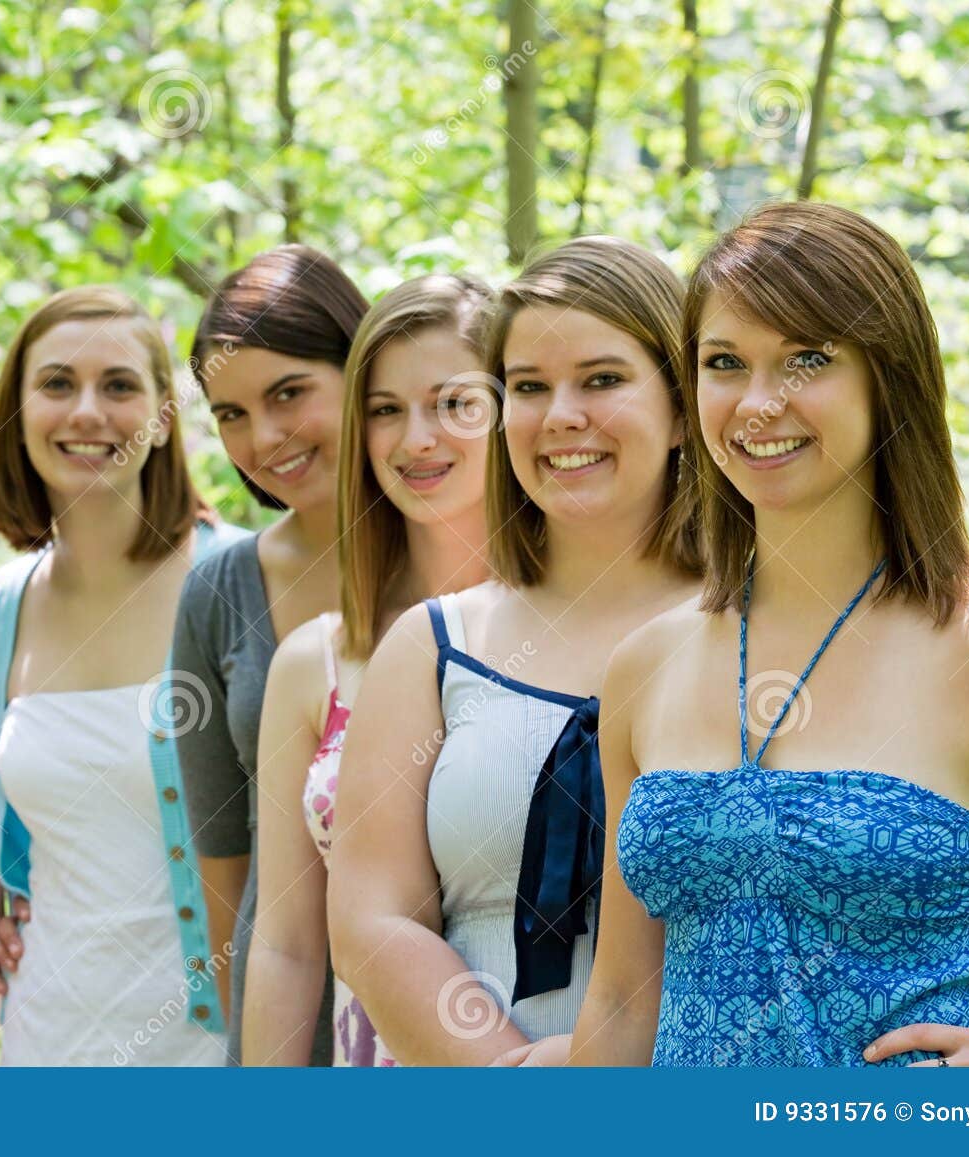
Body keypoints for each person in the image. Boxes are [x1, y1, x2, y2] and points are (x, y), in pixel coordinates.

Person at [559, 201, 969, 1067]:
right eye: (724, 363)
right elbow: (624, 999)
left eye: (807, 358)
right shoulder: (647, 664)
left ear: (886, 376)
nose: (757, 402)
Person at [328, 237, 702, 1064]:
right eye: (530, 387)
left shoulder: (760, 630)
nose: (561, 414)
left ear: (683, 408)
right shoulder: (435, 645)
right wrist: (517, 1080)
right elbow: (371, 921)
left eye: (601, 380)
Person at [0, 286, 241, 1065]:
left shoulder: (240, 581)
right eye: (57, 384)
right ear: (18, 414)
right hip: (45, 1041)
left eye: (119, 385)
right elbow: (4, 848)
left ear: (162, 418)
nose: (87, 411)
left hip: (215, 1051)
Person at [243, 274, 494, 1066]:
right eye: (385, 410)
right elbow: (286, 946)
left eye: (453, 403)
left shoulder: (584, 637)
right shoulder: (313, 663)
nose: (415, 438)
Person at [171, 245, 369, 1064]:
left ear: (361, 369)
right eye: (231, 414)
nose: (265, 438)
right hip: (289, 1025)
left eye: (290, 393)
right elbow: (224, 851)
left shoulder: (468, 554)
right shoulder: (219, 590)